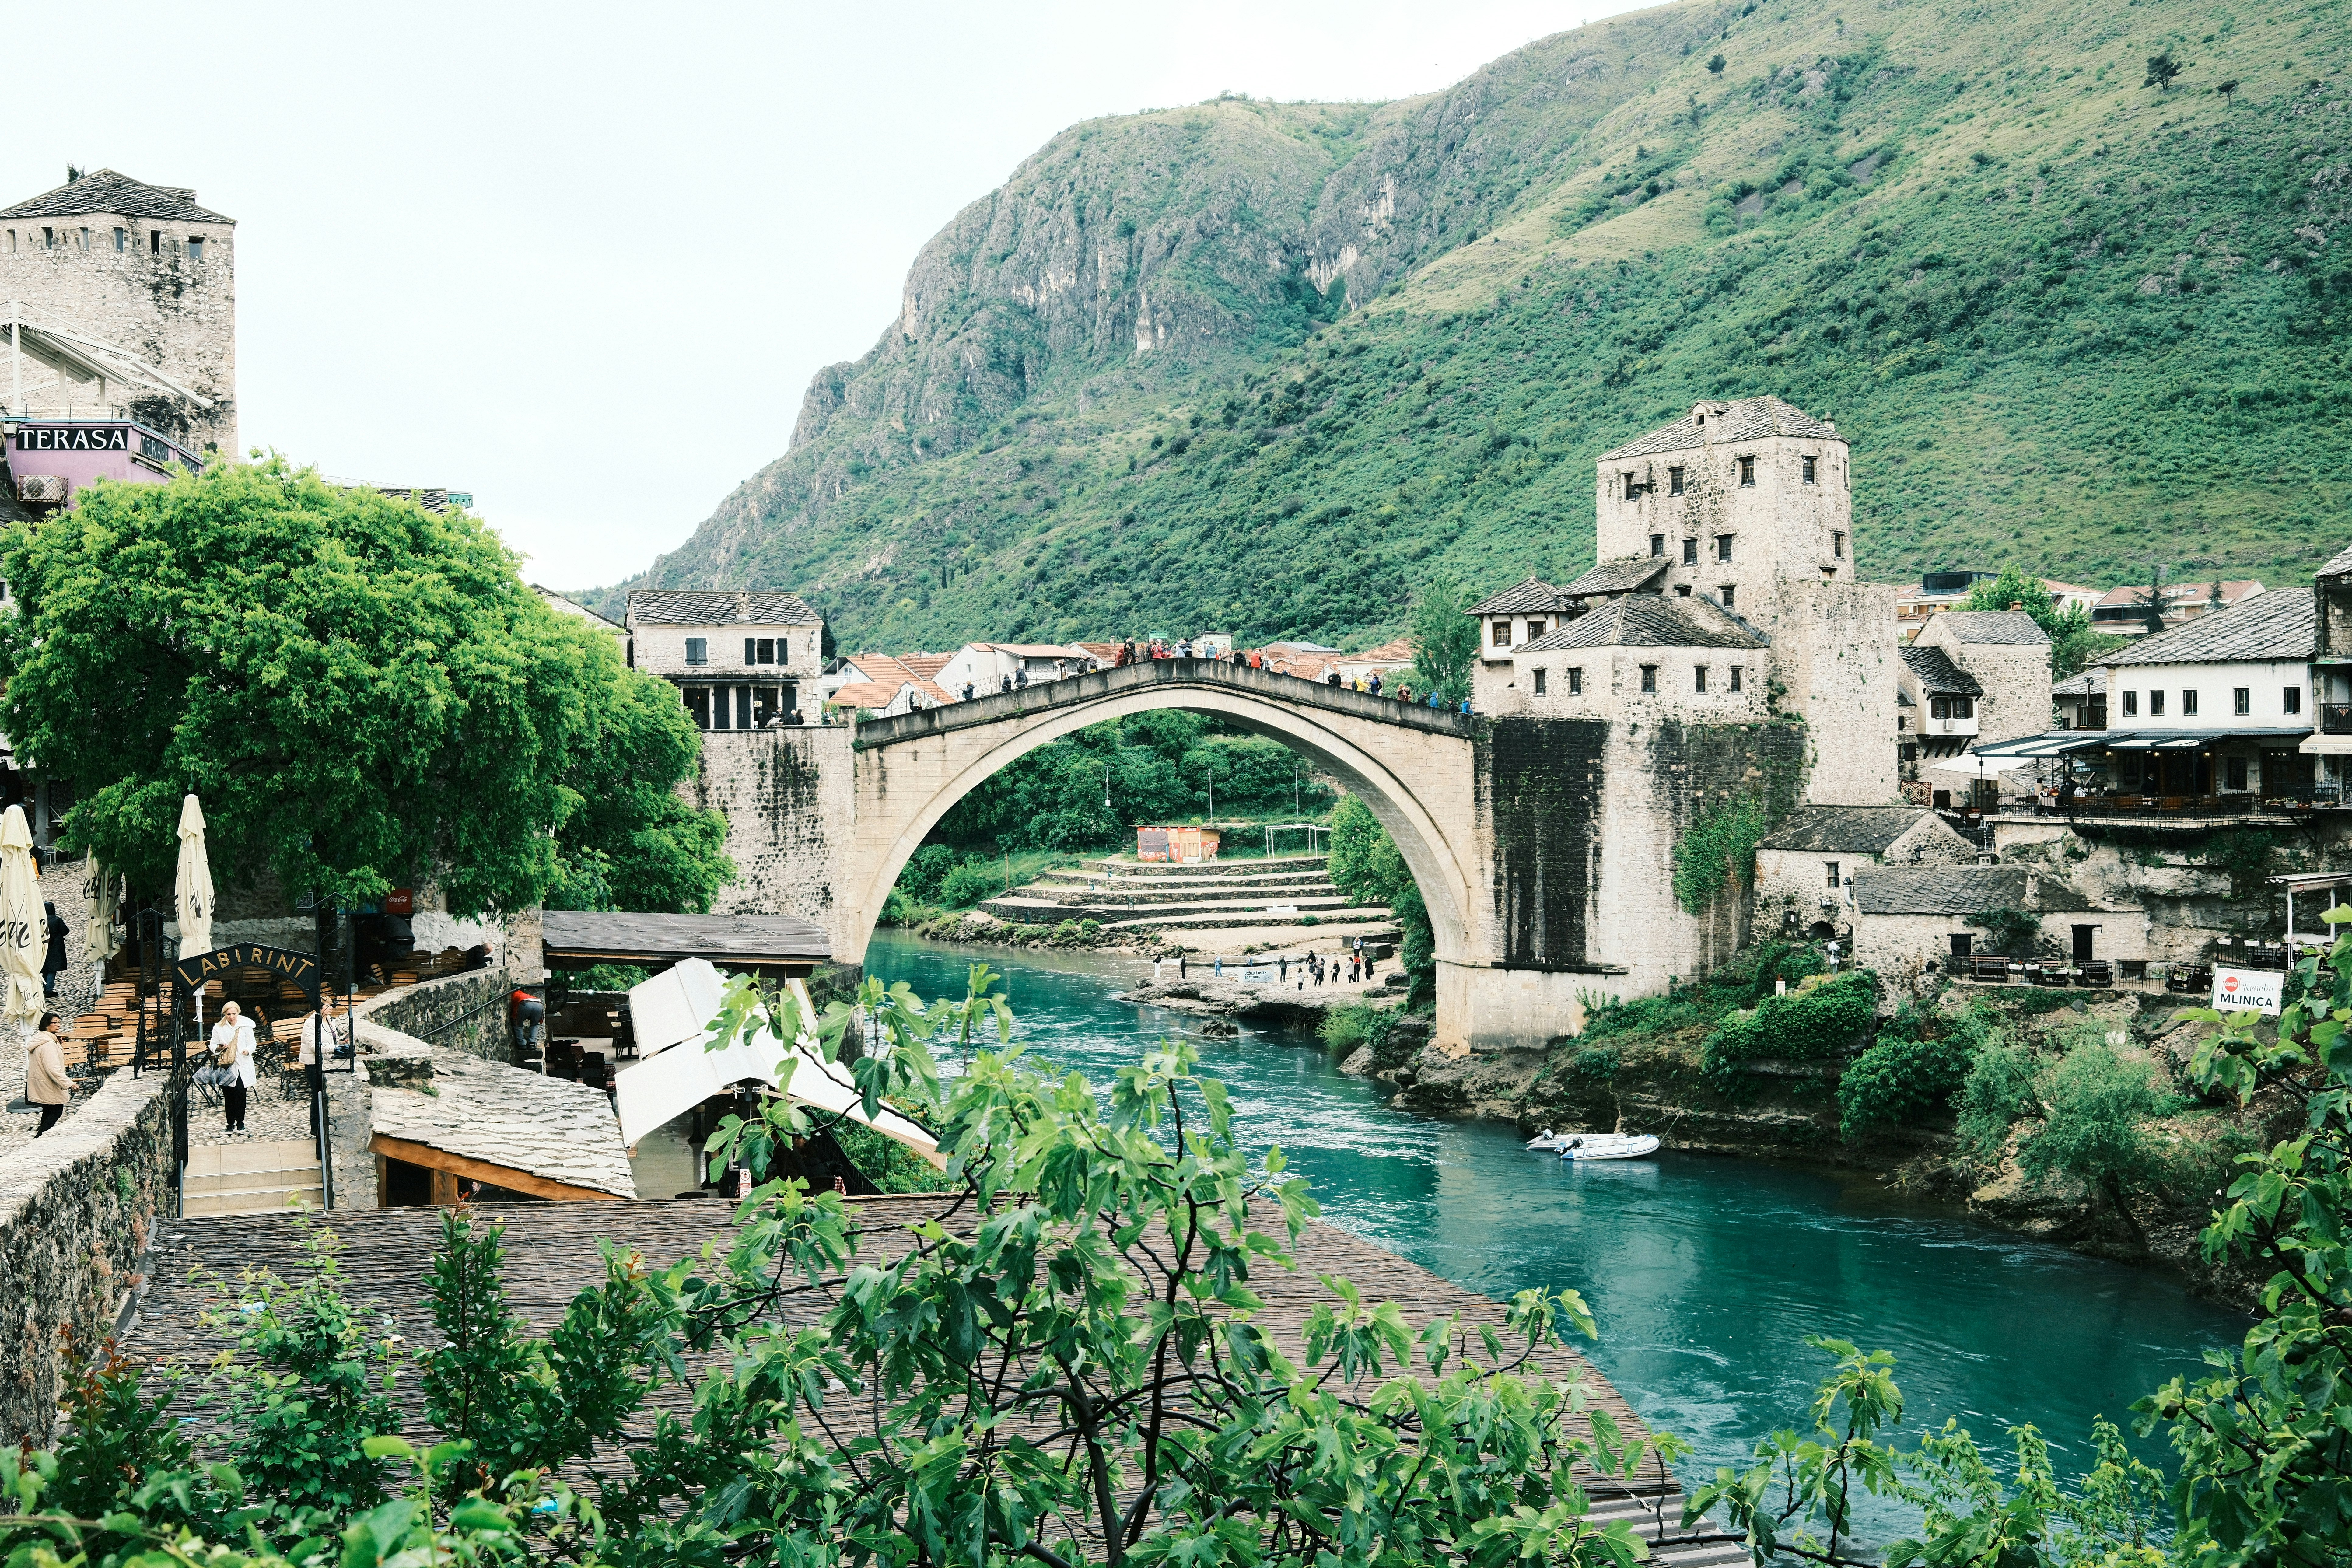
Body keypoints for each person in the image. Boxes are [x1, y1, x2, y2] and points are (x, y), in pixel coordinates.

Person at [300, 995, 345, 1138]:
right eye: (328, 1006)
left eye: (331, 1005)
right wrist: (334, 1048)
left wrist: (343, 1043)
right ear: (320, 1008)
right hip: (313, 1063)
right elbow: (314, 1046)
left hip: (326, 1061)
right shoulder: (311, 1023)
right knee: (318, 1093)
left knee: (322, 1093)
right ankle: (316, 1127)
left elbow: (334, 1039)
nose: (331, 1008)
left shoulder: (330, 1020)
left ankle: (322, 1126)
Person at [212, 1000, 257, 1135]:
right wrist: (219, 1048)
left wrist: (248, 1050)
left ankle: (241, 1122)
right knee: (228, 1096)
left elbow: (252, 1043)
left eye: (234, 1014)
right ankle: (230, 1124)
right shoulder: (219, 1028)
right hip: (227, 1067)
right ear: (224, 1014)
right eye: (228, 1014)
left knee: (241, 1095)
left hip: (242, 1065)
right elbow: (213, 1044)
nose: (231, 1017)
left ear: (238, 1013)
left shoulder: (246, 1027)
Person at [26, 1012, 66, 1136]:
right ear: (47, 1025)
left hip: (41, 1083)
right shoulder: (48, 1044)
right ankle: (40, 1137)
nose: (58, 1025)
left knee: (48, 1110)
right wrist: (69, 1084)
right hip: (49, 1084)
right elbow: (53, 1069)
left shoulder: (40, 1039)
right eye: (55, 1023)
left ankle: (42, 1135)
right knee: (56, 1111)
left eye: (59, 1022)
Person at [39, 903, 66, 998]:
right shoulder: (56, 920)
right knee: (52, 970)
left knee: (45, 970)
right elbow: (66, 931)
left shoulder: (40, 921)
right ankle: (49, 990)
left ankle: (45, 989)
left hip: (43, 948)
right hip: (56, 949)